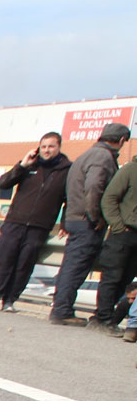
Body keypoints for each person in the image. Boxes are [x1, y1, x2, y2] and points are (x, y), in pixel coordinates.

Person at [51, 123, 131, 325]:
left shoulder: (88, 154)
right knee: (76, 267)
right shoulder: (103, 157)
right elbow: (94, 187)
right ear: (121, 140)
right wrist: (96, 216)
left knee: (71, 265)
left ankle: (60, 308)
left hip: (75, 218)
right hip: (86, 221)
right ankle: (62, 311)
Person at [0, 133, 69, 311]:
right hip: (15, 222)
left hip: (39, 226)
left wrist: (65, 223)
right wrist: (22, 165)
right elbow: (3, 183)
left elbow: (70, 199)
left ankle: (10, 300)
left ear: (59, 147)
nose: (46, 150)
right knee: (3, 261)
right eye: (43, 146)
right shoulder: (29, 165)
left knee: (24, 265)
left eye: (51, 146)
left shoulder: (67, 170)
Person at [93, 155, 137, 333]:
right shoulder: (129, 170)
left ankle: (104, 318)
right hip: (123, 233)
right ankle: (103, 319)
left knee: (126, 279)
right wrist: (118, 225)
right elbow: (109, 198)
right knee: (112, 277)